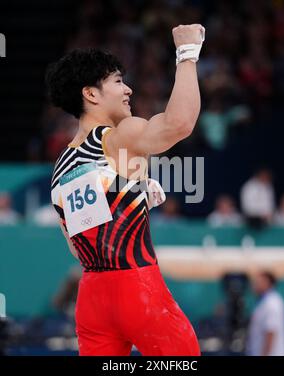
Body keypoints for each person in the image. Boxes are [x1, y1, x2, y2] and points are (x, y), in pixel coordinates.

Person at [47, 24, 205, 356]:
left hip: (92, 301)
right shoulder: (118, 136)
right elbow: (180, 124)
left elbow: (81, 249)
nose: (128, 89)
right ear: (90, 94)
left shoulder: (61, 169)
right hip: (138, 289)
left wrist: (135, 193)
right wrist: (187, 52)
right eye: (118, 81)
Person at [246, 271, 284, 356]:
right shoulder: (265, 302)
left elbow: (271, 332)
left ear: (267, 283)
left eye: (258, 282)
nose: (254, 285)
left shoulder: (272, 303)